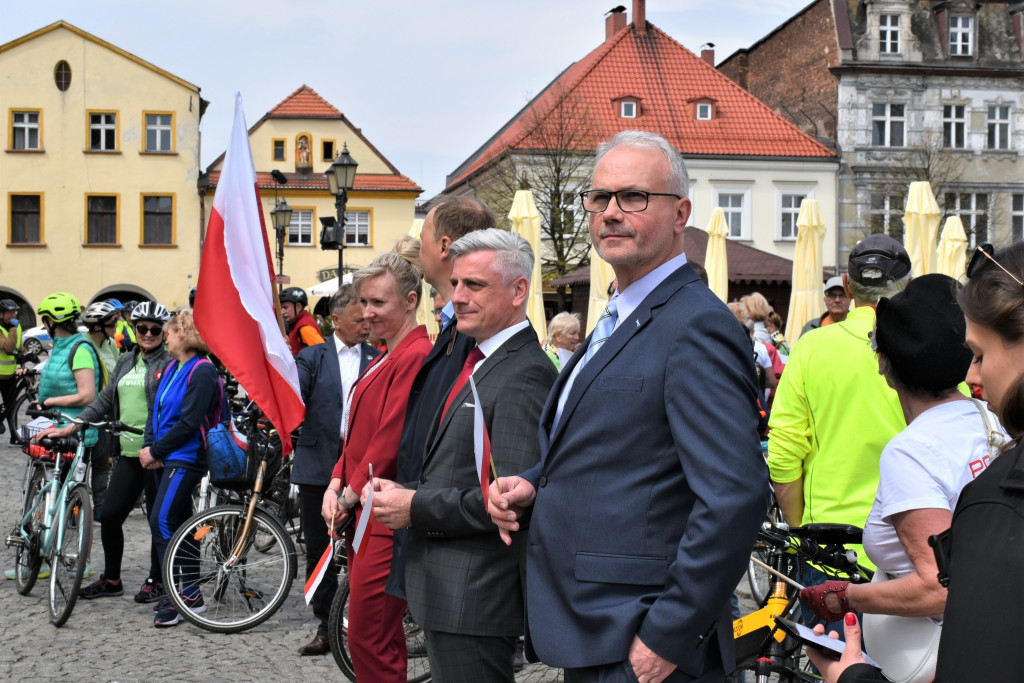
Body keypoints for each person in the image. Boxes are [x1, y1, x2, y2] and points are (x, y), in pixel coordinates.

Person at [488, 130, 767, 682]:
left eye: (634, 197)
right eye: (600, 198)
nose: (611, 213)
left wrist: (668, 634)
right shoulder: (622, 312)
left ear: (680, 212)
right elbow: (627, 441)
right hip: (596, 627)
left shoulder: (696, 325)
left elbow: (734, 495)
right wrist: (536, 483)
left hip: (642, 637)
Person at [805, 241, 1024, 683]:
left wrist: (846, 597)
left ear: (884, 365)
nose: (976, 374)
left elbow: (940, 585)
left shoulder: (910, 451)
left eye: (982, 357)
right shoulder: (993, 421)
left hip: (933, 663)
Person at [369, 229, 558, 681]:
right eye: (455, 284)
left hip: (474, 595)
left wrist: (414, 505)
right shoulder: (482, 359)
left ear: (518, 292)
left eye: (474, 285)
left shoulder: (524, 373)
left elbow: (508, 502)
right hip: (451, 591)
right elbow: (463, 471)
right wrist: (406, 490)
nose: (457, 297)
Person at [768, 233, 910, 632]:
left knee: (835, 667)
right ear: (908, 286)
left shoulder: (812, 348)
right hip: (910, 547)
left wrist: (798, 531)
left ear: (847, 288)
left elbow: (783, 453)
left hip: (829, 546)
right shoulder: (924, 349)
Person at [320, 240, 433, 682]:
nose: (366, 312)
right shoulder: (386, 354)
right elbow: (356, 435)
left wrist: (345, 494)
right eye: (363, 301)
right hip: (366, 507)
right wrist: (334, 483)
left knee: (371, 634)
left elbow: (388, 439)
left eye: (377, 302)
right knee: (372, 634)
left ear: (410, 302)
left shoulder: (415, 355)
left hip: (385, 513)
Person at [386, 196, 494, 603]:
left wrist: (417, 502)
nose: (421, 247)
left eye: (425, 238)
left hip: (453, 551)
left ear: (445, 246)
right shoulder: (455, 330)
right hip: (429, 530)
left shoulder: (473, 337)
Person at [42, 302, 174, 603]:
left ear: (164, 332)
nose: (149, 334)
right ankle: (112, 579)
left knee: (157, 520)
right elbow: (104, 398)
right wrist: (71, 427)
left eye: (156, 329)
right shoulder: (127, 359)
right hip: (128, 453)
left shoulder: (168, 363)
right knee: (111, 516)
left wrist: (158, 446)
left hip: (157, 454)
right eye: (143, 328)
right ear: (135, 329)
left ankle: (157, 580)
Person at [292, 284, 380, 656]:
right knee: (319, 549)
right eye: (359, 319)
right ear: (336, 319)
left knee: (364, 547)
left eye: (368, 318)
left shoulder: (377, 357)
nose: (366, 324)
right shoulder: (312, 357)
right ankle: (326, 625)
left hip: (363, 465)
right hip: (317, 466)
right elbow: (293, 401)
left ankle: (362, 623)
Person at [141, 309, 223, 628]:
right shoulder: (174, 366)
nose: (166, 337)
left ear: (184, 334)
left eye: (171, 332)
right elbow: (156, 410)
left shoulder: (201, 371)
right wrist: (151, 448)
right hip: (167, 456)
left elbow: (189, 422)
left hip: (187, 457)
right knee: (180, 524)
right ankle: (190, 593)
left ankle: (176, 595)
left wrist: (157, 450)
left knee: (161, 520)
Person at [0, 298, 22, 439]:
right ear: (0, 314)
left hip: (10, 373)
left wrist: (27, 354)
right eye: (9, 313)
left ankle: (15, 435)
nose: (13, 315)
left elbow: (17, 346)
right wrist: (13, 328)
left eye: (14, 312)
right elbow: (8, 348)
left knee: (11, 407)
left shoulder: (16, 327)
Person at [280, 287, 325, 355]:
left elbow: (322, 353)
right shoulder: (295, 323)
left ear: (298, 307)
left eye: (285, 307)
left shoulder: (304, 327)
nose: (282, 312)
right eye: (281, 308)